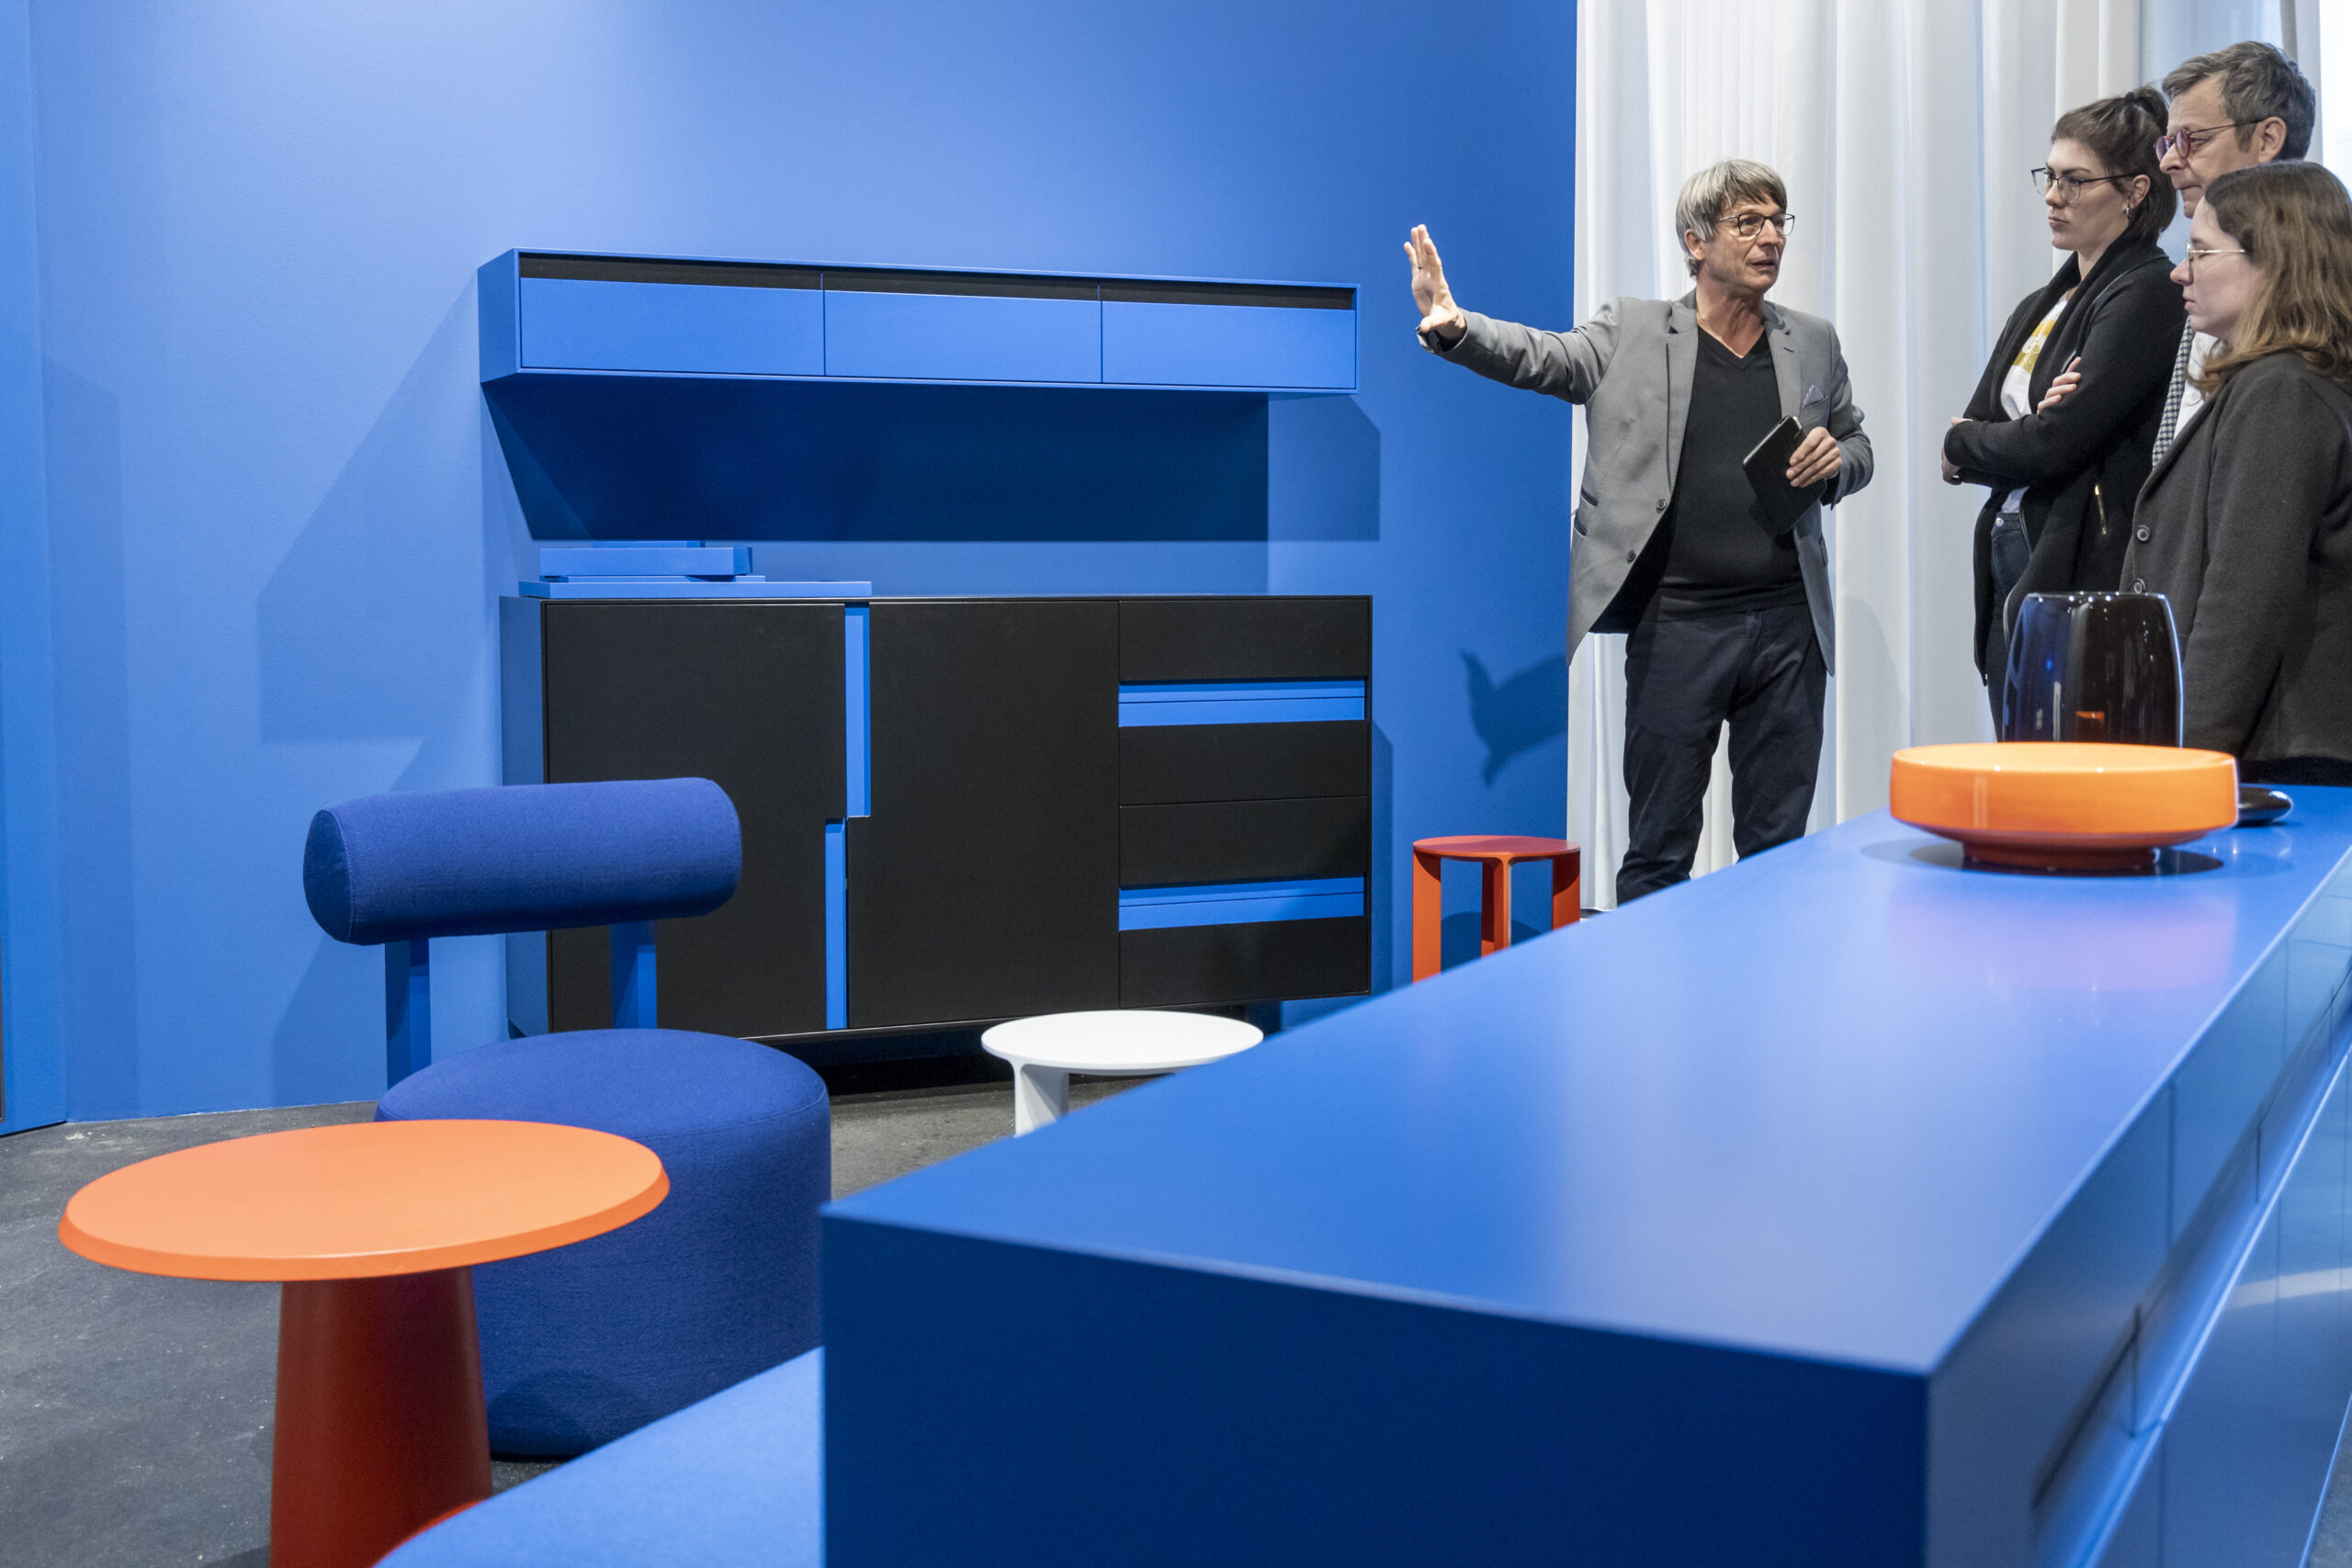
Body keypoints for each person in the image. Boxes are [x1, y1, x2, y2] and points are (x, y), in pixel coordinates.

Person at [1408, 158, 1871, 902]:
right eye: (1747, 223)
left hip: (1789, 628)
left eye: (1777, 221)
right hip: (1678, 625)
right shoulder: (1632, 329)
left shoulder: (1812, 340)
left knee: (1779, 853)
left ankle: (1767, 977)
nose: (1771, 238)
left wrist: (1838, 462)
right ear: (1696, 241)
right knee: (1658, 848)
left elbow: (1856, 442)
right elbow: (1545, 357)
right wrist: (1457, 327)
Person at [1941, 89, 2182, 718]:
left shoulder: (2147, 291)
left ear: (2134, 192)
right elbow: (1971, 436)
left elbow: (2050, 443)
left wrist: (1976, 440)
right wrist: (2000, 435)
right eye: (2048, 177)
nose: (2053, 196)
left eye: (2075, 181)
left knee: (2061, 756)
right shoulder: (2043, 303)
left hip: (2077, 560)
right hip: (2013, 545)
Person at [2120, 161, 2352, 784]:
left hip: (2281, 764)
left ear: (2274, 260)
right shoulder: (2286, 383)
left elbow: (2243, 601)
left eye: (2200, 251)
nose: (2180, 271)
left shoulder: (2282, 391)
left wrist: (2183, 766)